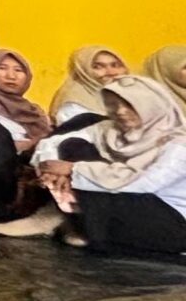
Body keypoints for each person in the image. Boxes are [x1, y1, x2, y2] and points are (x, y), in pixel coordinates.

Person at [32, 78, 186, 256]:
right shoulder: (112, 130)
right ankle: (79, 224)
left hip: (174, 220)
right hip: (130, 204)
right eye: (113, 104)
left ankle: (80, 227)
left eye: (130, 104)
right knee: (73, 144)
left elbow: (144, 183)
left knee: (101, 182)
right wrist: (50, 167)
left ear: (151, 105)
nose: (120, 111)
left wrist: (74, 170)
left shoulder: (179, 143)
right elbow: (52, 143)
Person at [0, 50, 53, 229]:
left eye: (19, 70)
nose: (11, 76)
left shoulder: (33, 111)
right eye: (1, 68)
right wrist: (23, 145)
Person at [57, 45, 130, 126]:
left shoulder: (130, 92)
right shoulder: (75, 103)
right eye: (98, 67)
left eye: (115, 65)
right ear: (83, 71)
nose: (111, 72)